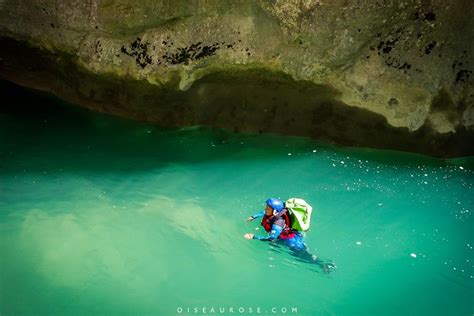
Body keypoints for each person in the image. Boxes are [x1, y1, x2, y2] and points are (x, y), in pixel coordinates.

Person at [244, 198, 336, 273]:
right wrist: (254, 216)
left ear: (275, 212)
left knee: (301, 256)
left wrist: (254, 237)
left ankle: (322, 264)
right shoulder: (274, 212)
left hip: (291, 241)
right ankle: (321, 263)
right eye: (267, 206)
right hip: (289, 234)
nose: (265, 208)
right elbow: (264, 213)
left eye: (268, 208)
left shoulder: (278, 224)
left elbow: (271, 238)